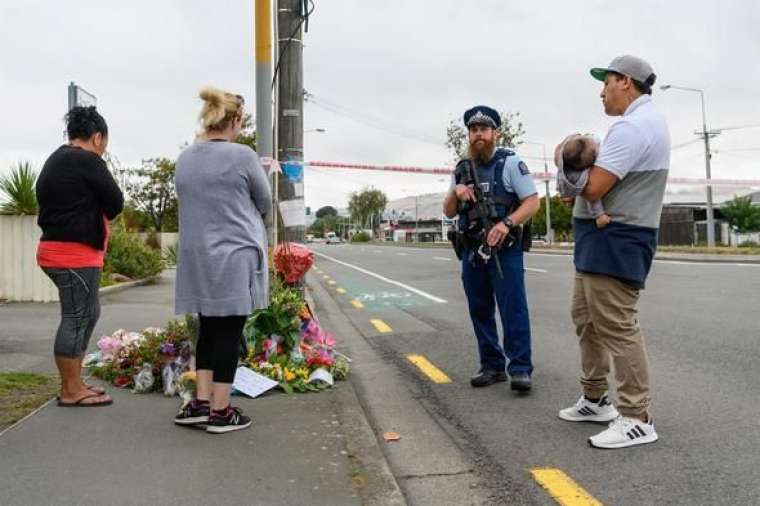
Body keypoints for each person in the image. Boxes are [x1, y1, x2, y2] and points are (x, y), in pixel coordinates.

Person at [557, 55, 669, 449]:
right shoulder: (631, 126)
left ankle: (637, 417)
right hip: (599, 240)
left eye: (606, 82)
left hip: (617, 239)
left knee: (618, 328)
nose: (601, 91)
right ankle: (595, 399)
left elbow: (591, 188)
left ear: (625, 81)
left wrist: (564, 157)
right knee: (587, 321)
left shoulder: (633, 128)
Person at [173, 86, 272, 434]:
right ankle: (221, 411)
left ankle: (199, 403)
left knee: (208, 328)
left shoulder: (185, 157)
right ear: (233, 119)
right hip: (233, 253)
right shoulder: (242, 156)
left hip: (197, 255)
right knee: (230, 330)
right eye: (241, 120)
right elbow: (264, 202)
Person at [443, 105, 540, 391]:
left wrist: (506, 223)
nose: (478, 135)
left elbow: (532, 202)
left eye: (484, 129)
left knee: (513, 309)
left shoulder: (510, 163)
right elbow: (449, 211)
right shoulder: (461, 169)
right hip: (472, 250)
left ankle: (520, 368)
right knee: (480, 308)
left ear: (494, 133)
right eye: (474, 130)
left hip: (505, 248)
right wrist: (455, 191)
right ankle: (492, 366)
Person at [36, 106, 124, 407]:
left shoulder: (56, 159)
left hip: (57, 249)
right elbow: (115, 202)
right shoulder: (87, 160)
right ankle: (71, 390)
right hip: (74, 254)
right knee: (76, 317)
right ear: (98, 137)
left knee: (88, 313)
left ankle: (75, 381)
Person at [555, 134, 611, 228]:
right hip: (587, 219)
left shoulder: (575, 145)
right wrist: (600, 215)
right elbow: (593, 199)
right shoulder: (585, 176)